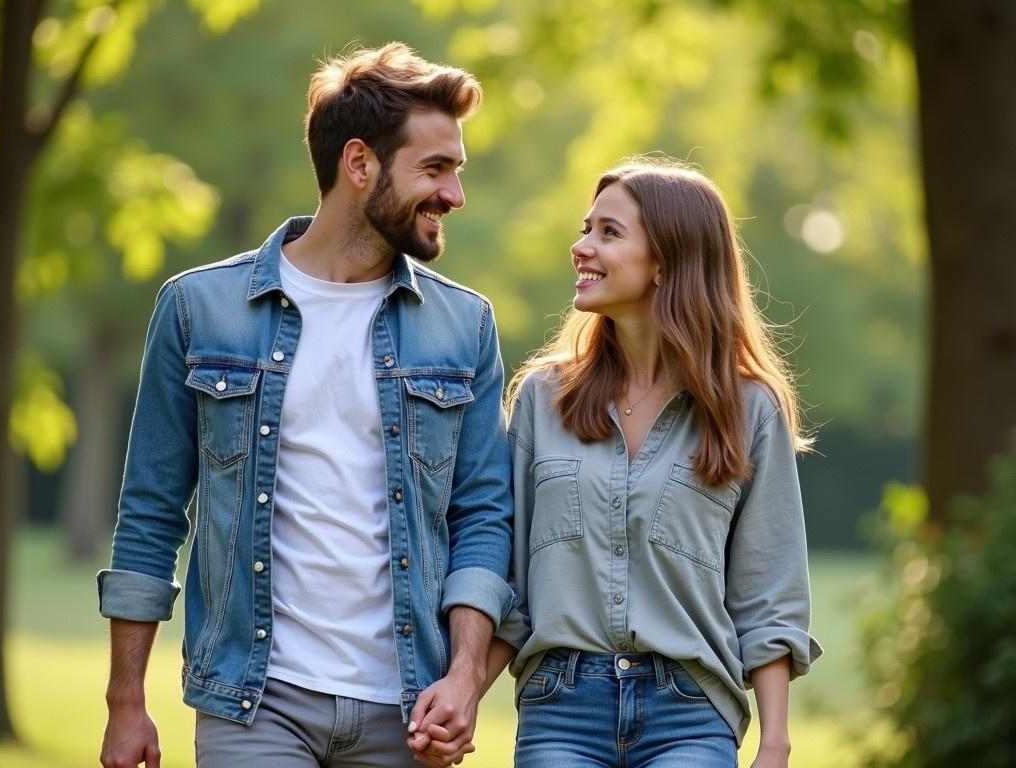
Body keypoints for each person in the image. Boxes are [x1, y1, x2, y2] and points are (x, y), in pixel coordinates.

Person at [97, 42, 514, 768]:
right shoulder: (199, 309)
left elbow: (483, 514)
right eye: (435, 168)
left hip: (406, 710)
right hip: (255, 703)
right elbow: (151, 510)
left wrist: (465, 676)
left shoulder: (464, 327)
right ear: (360, 164)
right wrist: (125, 703)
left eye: (457, 170)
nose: (455, 194)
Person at [487, 159, 823, 767]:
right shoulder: (543, 396)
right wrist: (461, 694)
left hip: (690, 714)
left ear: (667, 261)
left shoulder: (750, 408)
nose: (581, 247)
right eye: (586, 228)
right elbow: (510, 578)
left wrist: (775, 742)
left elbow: (770, 592)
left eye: (608, 233)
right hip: (559, 707)